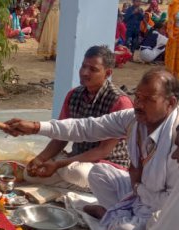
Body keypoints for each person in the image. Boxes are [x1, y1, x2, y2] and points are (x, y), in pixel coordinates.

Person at [4, 68, 179, 230]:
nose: (139, 105)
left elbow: (174, 204)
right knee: (99, 173)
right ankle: (116, 215)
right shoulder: (132, 118)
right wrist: (35, 127)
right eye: (137, 97)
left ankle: (113, 217)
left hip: (160, 208)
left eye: (148, 100)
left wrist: (138, 186)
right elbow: (86, 127)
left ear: (171, 103)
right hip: (137, 191)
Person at [24, 46, 132, 190]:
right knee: (29, 174)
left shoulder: (119, 101)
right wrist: (40, 159)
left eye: (93, 70)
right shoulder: (74, 95)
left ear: (107, 73)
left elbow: (103, 151)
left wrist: (59, 164)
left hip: (107, 165)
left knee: (76, 172)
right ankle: (89, 189)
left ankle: (96, 186)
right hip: (77, 160)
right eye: (83, 66)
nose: (85, 73)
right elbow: (60, 136)